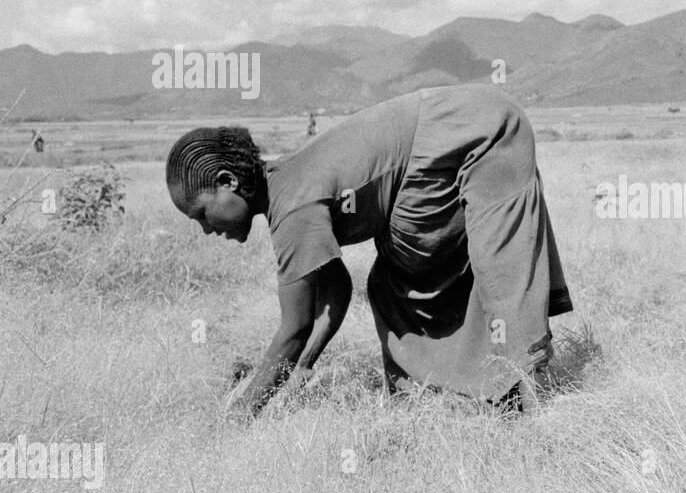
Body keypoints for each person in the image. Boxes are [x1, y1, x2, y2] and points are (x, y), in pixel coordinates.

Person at [166, 84, 573, 418]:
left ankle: (530, 405)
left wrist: (241, 415)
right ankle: (446, 399)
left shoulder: (291, 206)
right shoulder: (285, 190)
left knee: (499, 265)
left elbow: (294, 329)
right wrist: (305, 365)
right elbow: (336, 286)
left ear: (227, 182)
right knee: (392, 283)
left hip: (474, 128)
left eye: (201, 214)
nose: (205, 229)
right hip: (447, 130)